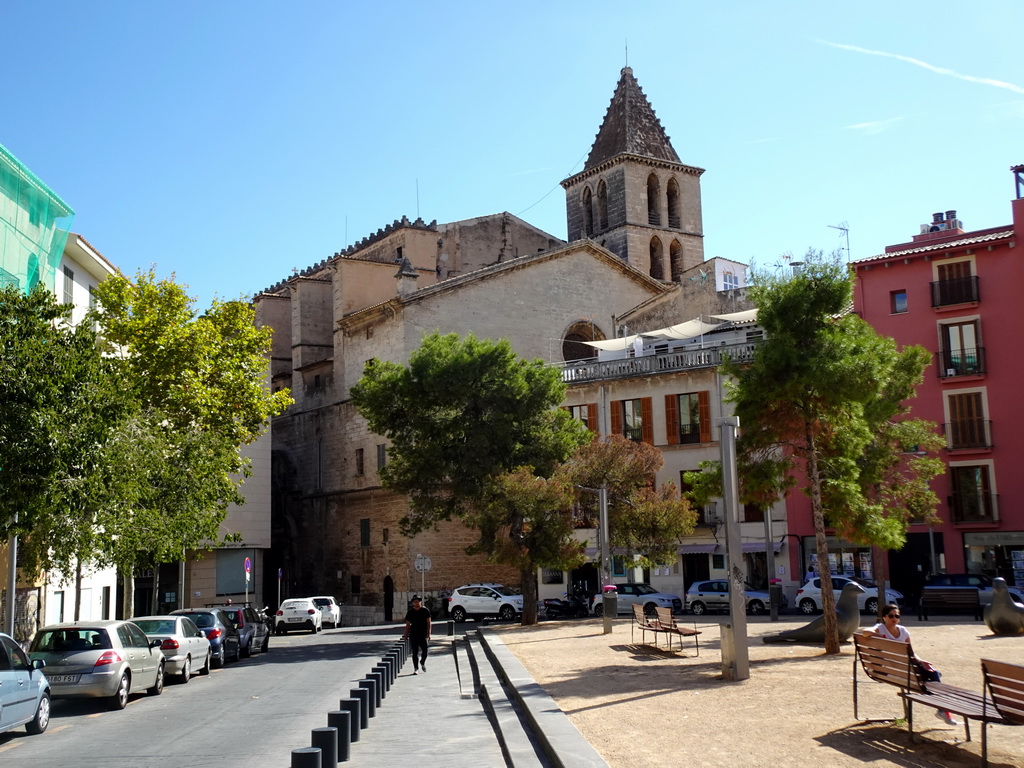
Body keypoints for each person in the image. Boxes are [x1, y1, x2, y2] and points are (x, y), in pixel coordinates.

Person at [862, 603, 959, 725]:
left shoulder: (903, 631)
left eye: (897, 616)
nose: (894, 619)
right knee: (932, 679)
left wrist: (921, 661)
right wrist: (880, 636)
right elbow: (865, 632)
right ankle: (943, 710)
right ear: (884, 617)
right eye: (891, 616)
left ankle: (943, 710)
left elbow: (911, 653)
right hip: (899, 670)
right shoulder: (880, 628)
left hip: (905, 668)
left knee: (934, 673)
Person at [404, 595, 432, 675]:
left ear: (420, 602)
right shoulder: (410, 612)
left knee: (425, 650)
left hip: (423, 634)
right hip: (414, 634)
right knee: (414, 652)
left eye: (418, 601)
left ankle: (422, 661)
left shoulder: (425, 610)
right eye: (415, 602)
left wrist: (429, 633)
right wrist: (406, 635)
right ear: (413, 603)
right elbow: (408, 624)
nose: (416, 603)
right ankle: (416, 668)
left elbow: (429, 622)